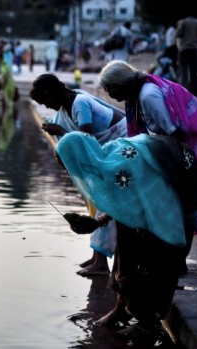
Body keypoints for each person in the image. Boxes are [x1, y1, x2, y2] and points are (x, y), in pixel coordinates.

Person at [57, 131, 197, 346]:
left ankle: (147, 325)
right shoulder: (108, 159)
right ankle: (121, 311)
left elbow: (148, 198)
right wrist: (97, 222)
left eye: (69, 166)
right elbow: (124, 200)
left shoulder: (121, 163)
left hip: (167, 209)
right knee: (124, 260)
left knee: (145, 267)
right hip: (150, 209)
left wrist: (105, 222)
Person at [98, 60, 197, 267]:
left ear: (120, 84)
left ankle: (178, 262)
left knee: (186, 201)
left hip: (195, 138)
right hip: (178, 141)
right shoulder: (138, 95)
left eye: (110, 89)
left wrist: (176, 171)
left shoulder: (148, 96)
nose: (110, 95)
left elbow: (176, 134)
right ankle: (176, 260)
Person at [29, 74, 127, 277]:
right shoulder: (66, 106)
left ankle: (101, 263)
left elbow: (87, 143)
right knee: (98, 201)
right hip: (106, 152)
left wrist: (60, 130)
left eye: (44, 101)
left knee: (104, 202)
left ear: (50, 93)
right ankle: (96, 255)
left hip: (119, 148)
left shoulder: (79, 103)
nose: (46, 107)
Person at [175, 14, 197, 93]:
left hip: (184, 49)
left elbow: (178, 34)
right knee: (194, 70)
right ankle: (194, 90)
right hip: (194, 49)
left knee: (184, 70)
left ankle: (185, 90)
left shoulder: (184, 22)